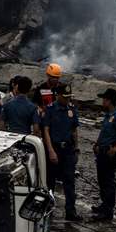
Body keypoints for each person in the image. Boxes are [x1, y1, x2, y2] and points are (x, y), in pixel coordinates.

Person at [41, 83, 80, 221]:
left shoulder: (72, 109)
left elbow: (74, 130)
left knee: (69, 181)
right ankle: (49, 210)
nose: (67, 100)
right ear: (58, 95)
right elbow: (45, 130)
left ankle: (71, 211)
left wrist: (76, 148)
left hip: (68, 150)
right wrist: (50, 150)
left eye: (69, 97)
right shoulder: (50, 109)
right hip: (55, 148)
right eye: (65, 97)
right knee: (50, 181)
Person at [91, 88, 116, 221]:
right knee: (102, 180)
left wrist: (115, 149)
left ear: (109, 101)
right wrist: (97, 144)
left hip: (109, 154)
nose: (103, 101)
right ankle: (104, 205)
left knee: (108, 182)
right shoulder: (109, 115)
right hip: (102, 152)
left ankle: (108, 211)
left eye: (104, 99)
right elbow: (104, 133)